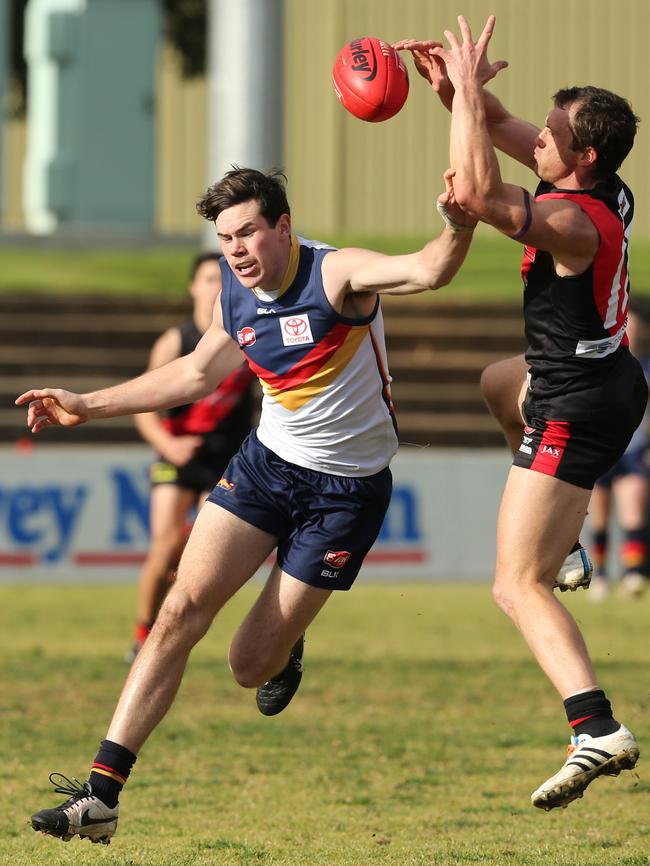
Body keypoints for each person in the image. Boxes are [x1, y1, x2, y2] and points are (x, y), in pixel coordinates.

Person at [17, 165, 477, 844]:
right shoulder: (233, 292)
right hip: (264, 469)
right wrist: (89, 404)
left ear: (283, 227)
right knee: (177, 610)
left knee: (246, 666)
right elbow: (196, 372)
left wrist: (458, 223)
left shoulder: (337, 274)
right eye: (225, 237)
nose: (234, 249)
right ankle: (100, 795)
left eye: (247, 233)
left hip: (346, 494)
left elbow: (430, 269)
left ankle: (283, 647)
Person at [397, 15, 645, 811]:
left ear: (585, 157)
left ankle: (595, 726)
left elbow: (473, 194)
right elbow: (499, 132)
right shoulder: (592, 182)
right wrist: (457, 97)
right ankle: (567, 543)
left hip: (578, 400)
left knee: (514, 584)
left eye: (550, 133)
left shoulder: (576, 221)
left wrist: (469, 95)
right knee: (496, 380)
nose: (531, 136)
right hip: (576, 376)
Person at [127, 252, 254, 662]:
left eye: (222, 278)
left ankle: (176, 630)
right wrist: (168, 446)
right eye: (207, 278)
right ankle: (141, 634)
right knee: (164, 545)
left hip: (227, 459)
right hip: (177, 454)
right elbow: (144, 405)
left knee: (201, 549)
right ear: (192, 287)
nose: (216, 285)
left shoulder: (247, 334)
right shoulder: (175, 340)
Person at [588, 307, 650, 600]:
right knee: (599, 518)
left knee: (632, 513)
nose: (632, 332)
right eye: (627, 327)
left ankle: (632, 574)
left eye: (635, 328)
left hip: (634, 453)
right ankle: (600, 576)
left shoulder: (648, 369)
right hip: (602, 451)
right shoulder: (602, 368)